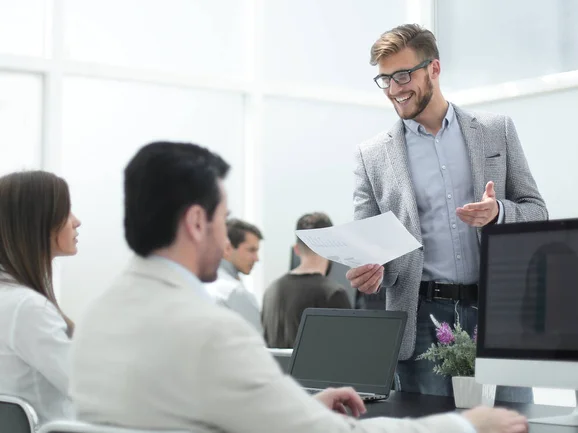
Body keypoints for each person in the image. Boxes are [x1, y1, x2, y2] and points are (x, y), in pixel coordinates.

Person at [70, 141, 527, 433]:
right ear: (195, 222)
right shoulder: (209, 332)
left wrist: (298, 407)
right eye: (222, 220)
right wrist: (469, 425)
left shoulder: (98, 319)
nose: (225, 234)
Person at [347, 24, 548, 400]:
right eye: (385, 79)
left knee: (511, 421)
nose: (394, 89)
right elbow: (371, 248)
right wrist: (372, 272)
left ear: (434, 69)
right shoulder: (371, 156)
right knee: (431, 425)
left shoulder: (496, 131)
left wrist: (498, 213)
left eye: (403, 75)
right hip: (421, 319)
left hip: (499, 315)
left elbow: (537, 212)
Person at [0, 170, 81, 422]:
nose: (76, 221)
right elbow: (90, 389)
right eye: (66, 212)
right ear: (38, 224)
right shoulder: (27, 307)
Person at [262, 212, 351, 348]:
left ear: (296, 249)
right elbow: (346, 350)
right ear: (331, 247)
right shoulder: (333, 294)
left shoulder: (271, 291)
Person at [204, 218, 263, 332]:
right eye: (251, 250)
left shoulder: (200, 284)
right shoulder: (234, 292)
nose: (257, 258)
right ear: (227, 248)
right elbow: (255, 345)